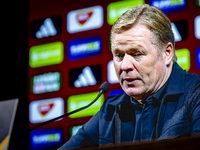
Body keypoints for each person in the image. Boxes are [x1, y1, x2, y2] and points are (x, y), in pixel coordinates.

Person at [58, 4, 200, 149]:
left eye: (137, 54)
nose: (125, 66)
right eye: (119, 55)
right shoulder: (110, 110)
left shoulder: (196, 95)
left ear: (167, 53)